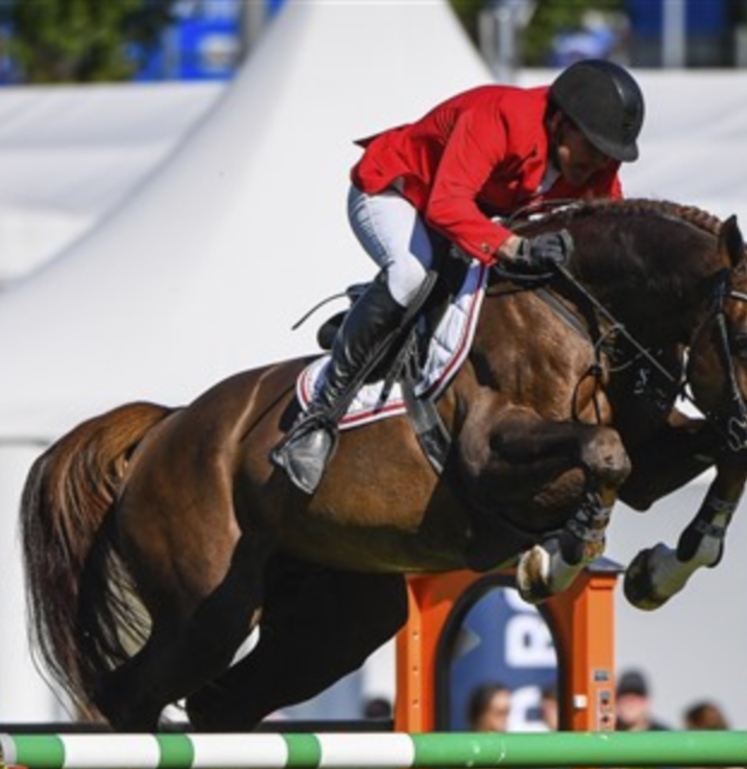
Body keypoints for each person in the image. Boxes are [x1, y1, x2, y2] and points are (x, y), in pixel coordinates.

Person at [269, 59, 644, 495]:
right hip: (396, 192)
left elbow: (607, 229)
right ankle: (317, 419)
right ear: (560, 120)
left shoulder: (597, 164)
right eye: (593, 147)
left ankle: (383, 321)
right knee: (412, 275)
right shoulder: (500, 117)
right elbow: (445, 205)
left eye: (608, 153)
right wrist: (518, 248)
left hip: (466, 223)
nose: (599, 162)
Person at [614, 668, 676, 769]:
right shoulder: (607, 737)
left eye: (637, 696)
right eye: (625, 695)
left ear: (647, 701)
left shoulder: (664, 737)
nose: (630, 702)